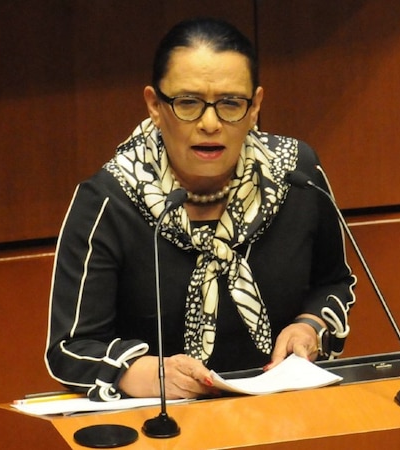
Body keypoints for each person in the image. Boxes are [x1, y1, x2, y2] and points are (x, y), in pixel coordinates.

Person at [45, 17, 356, 401]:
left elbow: (333, 282)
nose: (210, 123)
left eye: (230, 103)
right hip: (161, 428)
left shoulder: (297, 176)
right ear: (155, 106)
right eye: (188, 103)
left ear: (255, 105)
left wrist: (308, 327)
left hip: (283, 414)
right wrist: (140, 373)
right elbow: (69, 347)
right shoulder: (109, 200)